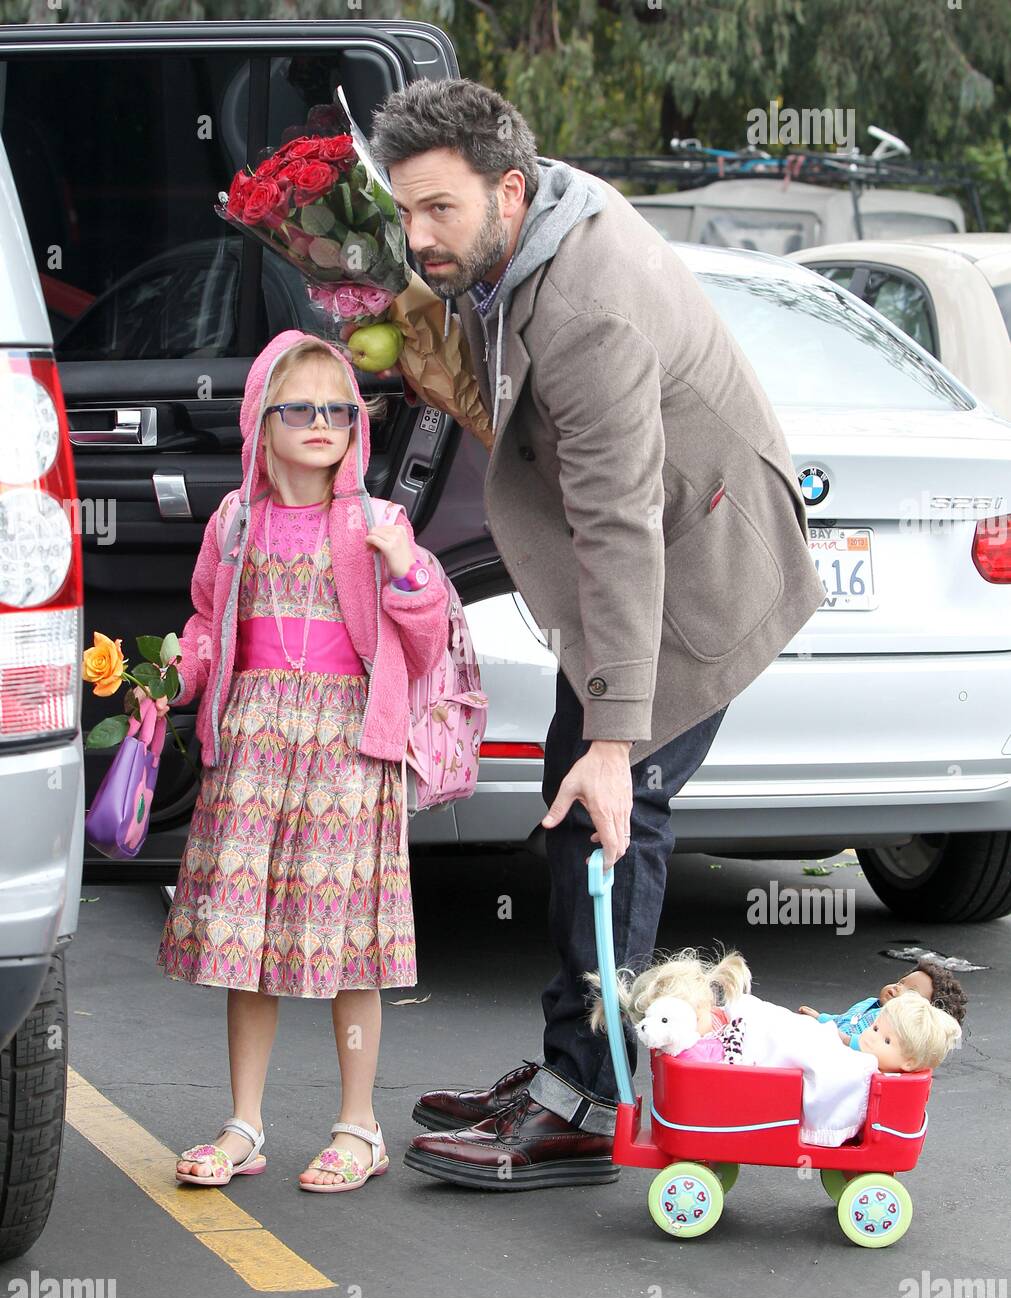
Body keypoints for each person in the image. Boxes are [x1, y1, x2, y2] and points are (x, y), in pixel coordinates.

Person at [365, 77, 828, 1191]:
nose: (417, 235)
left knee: (611, 821)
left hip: (687, 575)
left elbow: (623, 524)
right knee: (578, 822)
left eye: (439, 211)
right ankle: (577, 1064)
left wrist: (616, 742)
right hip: (644, 563)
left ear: (509, 190)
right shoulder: (535, 232)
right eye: (406, 209)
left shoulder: (589, 306)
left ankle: (586, 1100)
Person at [155, 331, 448, 1192]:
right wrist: (168, 678)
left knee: (348, 944)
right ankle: (244, 1124)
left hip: (348, 749)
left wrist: (407, 575)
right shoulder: (235, 521)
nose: (322, 422)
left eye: (339, 409)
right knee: (248, 944)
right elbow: (211, 625)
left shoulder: (374, 520)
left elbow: (425, 644)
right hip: (252, 741)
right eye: (301, 408)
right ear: (260, 421)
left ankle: (359, 1126)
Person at [798, 958, 969, 1044]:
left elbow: (872, 1047)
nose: (897, 988)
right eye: (901, 982)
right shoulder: (870, 1003)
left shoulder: (898, 1026)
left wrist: (838, 1037)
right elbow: (846, 1020)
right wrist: (821, 1019)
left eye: (910, 992)